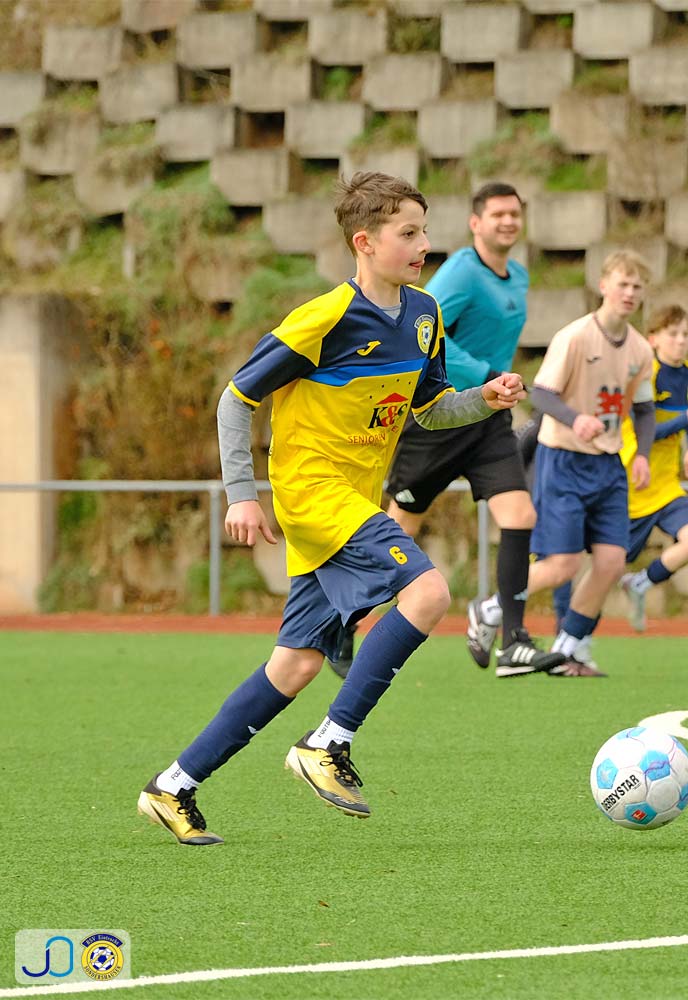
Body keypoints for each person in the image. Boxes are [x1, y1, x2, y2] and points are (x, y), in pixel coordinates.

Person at [137, 172, 526, 845]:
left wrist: (483, 400)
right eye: (408, 233)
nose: (424, 246)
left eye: (425, 232)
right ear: (364, 242)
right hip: (313, 493)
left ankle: (173, 786)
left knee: (296, 664)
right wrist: (242, 494)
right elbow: (236, 399)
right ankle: (327, 743)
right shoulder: (324, 318)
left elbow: (430, 411)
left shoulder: (426, 316)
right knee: (429, 593)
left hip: (353, 500)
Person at [381, 182, 564, 679]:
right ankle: (341, 623)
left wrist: (495, 386)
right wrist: (485, 374)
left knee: (520, 516)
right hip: (441, 415)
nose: (508, 221)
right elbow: (427, 331)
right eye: (497, 214)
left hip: (489, 418)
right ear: (476, 223)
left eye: (514, 213)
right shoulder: (461, 271)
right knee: (399, 529)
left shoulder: (518, 276)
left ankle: (514, 642)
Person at [524, 250, 657, 677]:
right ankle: (491, 608)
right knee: (561, 565)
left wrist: (642, 455)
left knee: (612, 563)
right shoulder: (575, 336)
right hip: (563, 457)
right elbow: (541, 394)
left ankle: (569, 647)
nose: (630, 293)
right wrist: (575, 418)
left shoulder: (641, 349)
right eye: (623, 284)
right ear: (603, 286)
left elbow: (645, 410)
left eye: (637, 286)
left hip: (608, 462)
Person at [550, 303, 688, 638]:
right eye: (673, 334)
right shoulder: (643, 375)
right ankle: (569, 634)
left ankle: (640, 583)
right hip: (629, 485)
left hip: (665, 485)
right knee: (594, 569)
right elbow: (646, 431)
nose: (681, 341)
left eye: (686, 334)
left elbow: (685, 413)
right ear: (653, 339)